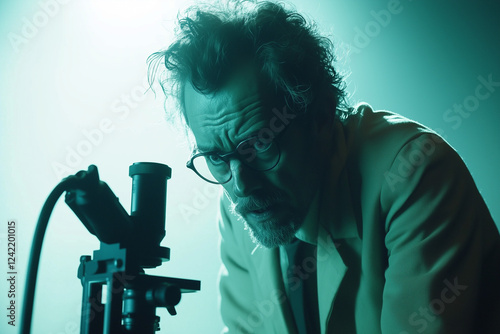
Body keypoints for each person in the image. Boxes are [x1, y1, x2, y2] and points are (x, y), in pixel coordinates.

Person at [148, 1, 500, 333]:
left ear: (320, 116)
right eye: (215, 157)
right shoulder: (239, 207)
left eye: (260, 144)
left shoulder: (415, 174)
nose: (240, 184)